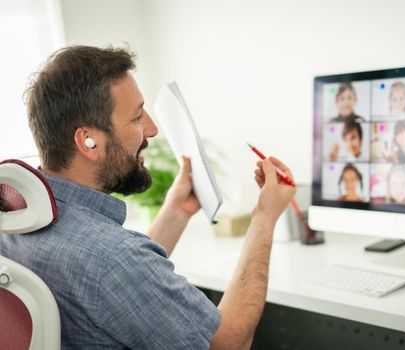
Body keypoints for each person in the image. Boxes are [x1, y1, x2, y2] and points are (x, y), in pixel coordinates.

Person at [0, 45, 296, 349]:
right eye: (137, 117)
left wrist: (176, 212)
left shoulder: (14, 221)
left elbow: (111, 292)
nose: (152, 129)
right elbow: (228, 344)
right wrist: (264, 217)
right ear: (89, 142)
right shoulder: (115, 259)